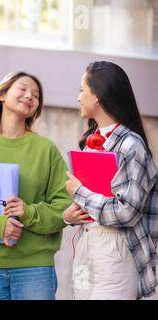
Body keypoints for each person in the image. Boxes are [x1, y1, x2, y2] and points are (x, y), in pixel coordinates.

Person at [0, 71, 72, 300]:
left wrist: (28, 212)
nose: (30, 96)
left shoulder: (46, 150)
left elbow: (64, 207)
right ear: (2, 95)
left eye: (36, 95)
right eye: (23, 89)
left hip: (35, 267)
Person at [63, 61, 158, 300]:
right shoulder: (90, 143)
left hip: (117, 249)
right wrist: (71, 214)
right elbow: (95, 200)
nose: (78, 97)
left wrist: (80, 193)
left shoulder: (131, 145)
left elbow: (127, 212)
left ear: (97, 96)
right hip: (87, 243)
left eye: (81, 89)